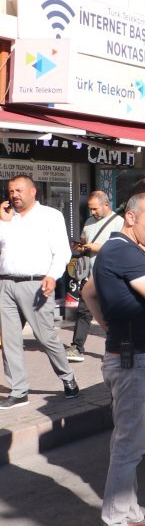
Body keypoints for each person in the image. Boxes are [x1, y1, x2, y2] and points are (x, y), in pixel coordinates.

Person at [81, 193, 145, 526]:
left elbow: (89, 292)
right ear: (131, 218)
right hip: (135, 360)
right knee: (129, 446)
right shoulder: (125, 251)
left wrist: (110, 325)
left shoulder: (114, 250)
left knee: (131, 442)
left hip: (131, 354)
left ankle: (130, 514)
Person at [0, 175, 78, 409]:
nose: (14, 195)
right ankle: (19, 390)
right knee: (10, 340)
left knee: (45, 336)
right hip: (5, 283)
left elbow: (62, 252)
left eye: (19, 190)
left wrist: (53, 275)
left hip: (36, 283)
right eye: (11, 191)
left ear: (33, 192)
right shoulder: (6, 218)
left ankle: (68, 378)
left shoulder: (50, 216)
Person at [67, 191, 124, 362]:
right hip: (89, 277)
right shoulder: (89, 221)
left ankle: (114, 349)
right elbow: (85, 241)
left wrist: (98, 247)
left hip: (109, 277)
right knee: (84, 313)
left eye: (95, 208)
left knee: (111, 316)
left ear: (107, 205)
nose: (92, 212)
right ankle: (77, 347)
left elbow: (121, 248)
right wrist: (81, 246)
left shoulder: (119, 223)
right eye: (90, 209)